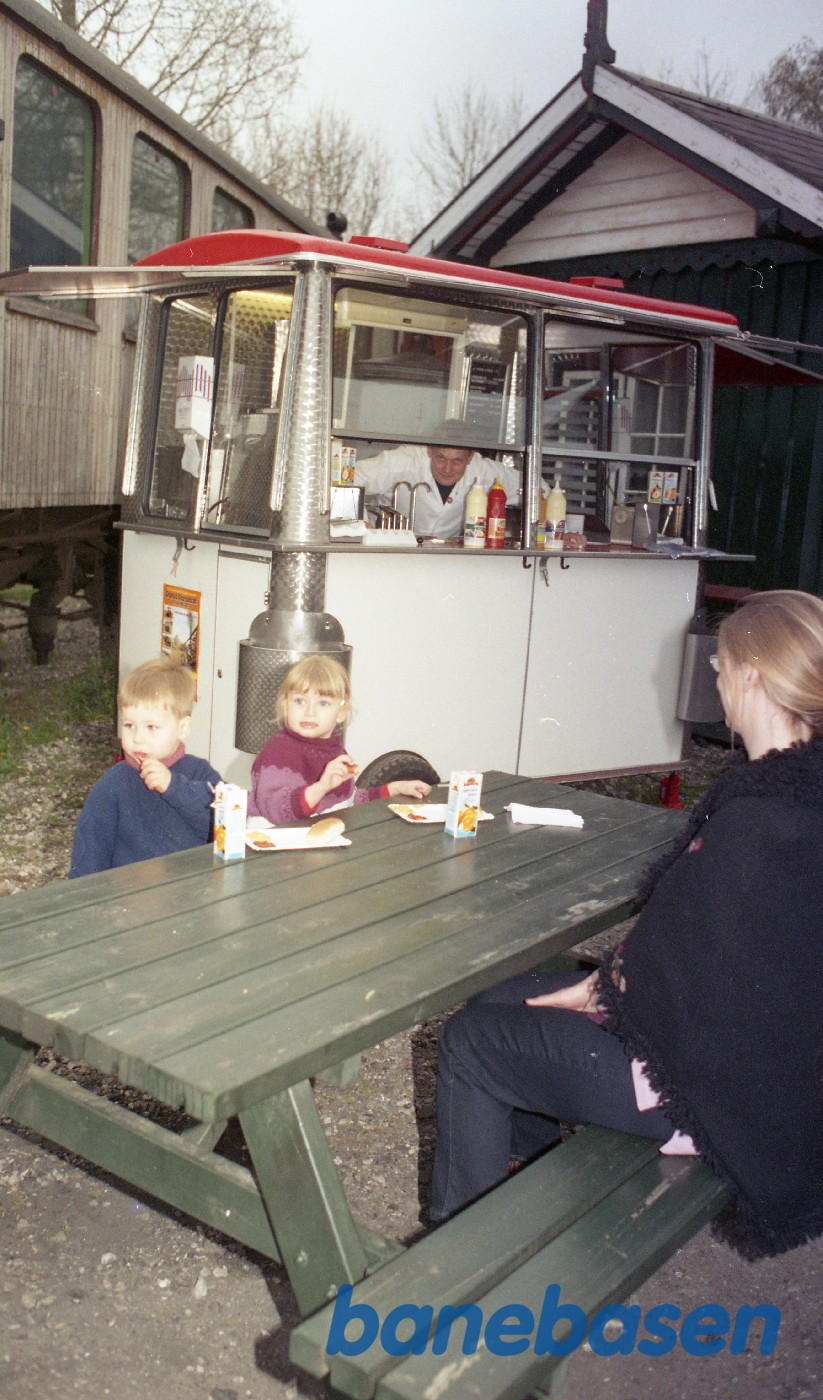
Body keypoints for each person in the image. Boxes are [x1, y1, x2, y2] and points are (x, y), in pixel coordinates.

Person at [430, 590, 823, 1257]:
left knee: (470, 1043)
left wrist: (612, 989)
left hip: (716, 1098)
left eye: (722, 664)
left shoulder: (766, 822)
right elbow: (701, 952)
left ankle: (456, 1261)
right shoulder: (788, 789)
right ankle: (515, 1184)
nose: (715, 677)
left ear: (752, 676)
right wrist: (611, 984)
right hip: (755, 1067)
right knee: (502, 998)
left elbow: (691, 963)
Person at [69, 657, 221, 877]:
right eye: (129, 725)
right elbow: (89, 853)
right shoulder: (113, 785)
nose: (138, 737)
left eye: (151, 727)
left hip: (193, 892)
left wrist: (173, 786)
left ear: (183, 727)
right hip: (129, 897)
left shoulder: (200, 774)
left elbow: (225, 822)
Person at [249, 655, 431, 825]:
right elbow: (277, 812)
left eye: (323, 703)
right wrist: (321, 787)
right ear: (285, 706)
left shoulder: (335, 752)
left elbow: (348, 801)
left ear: (341, 713)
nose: (309, 712)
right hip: (269, 839)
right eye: (299, 701)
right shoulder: (280, 751)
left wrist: (395, 788)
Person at [354, 420, 521, 538]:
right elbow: (352, 477)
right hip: (388, 549)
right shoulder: (404, 460)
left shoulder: (484, 470)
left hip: (444, 556)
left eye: (457, 460)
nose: (447, 469)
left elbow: (536, 490)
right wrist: (361, 524)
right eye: (440, 457)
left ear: (471, 457)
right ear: (429, 449)